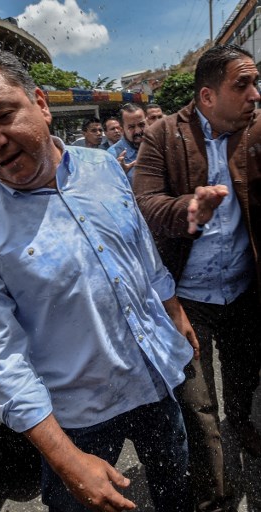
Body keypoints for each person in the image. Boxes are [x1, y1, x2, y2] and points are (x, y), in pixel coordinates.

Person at [0, 47, 199, 512]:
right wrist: (67, 460)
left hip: (155, 377)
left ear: (40, 103)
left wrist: (172, 307)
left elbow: (140, 246)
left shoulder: (102, 168)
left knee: (176, 492)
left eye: (2, 115)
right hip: (78, 421)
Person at [133, 43, 261, 512]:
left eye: (255, 83)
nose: (254, 95)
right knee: (199, 405)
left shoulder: (257, 131)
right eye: (241, 84)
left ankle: (242, 422)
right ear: (207, 97)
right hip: (187, 300)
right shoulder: (163, 135)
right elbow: (143, 204)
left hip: (245, 292)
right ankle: (216, 499)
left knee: (244, 375)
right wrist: (186, 208)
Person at [107, 103, 146, 185]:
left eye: (141, 125)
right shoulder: (112, 155)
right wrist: (119, 176)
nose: (138, 131)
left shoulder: (156, 146)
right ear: (122, 130)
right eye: (131, 127)